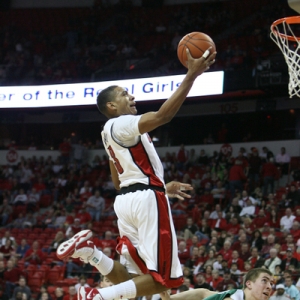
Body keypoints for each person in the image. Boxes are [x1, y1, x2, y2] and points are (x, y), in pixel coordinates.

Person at [56, 48, 216, 300]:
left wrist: (163, 185)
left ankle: (90, 253)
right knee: (163, 280)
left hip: (126, 200)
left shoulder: (107, 132)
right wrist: (191, 76)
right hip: (145, 199)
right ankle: (98, 296)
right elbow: (164, 115)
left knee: (134, 277)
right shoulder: (122, 123)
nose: (130, 96)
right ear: (111, 105)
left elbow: (117, 181)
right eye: (123, 94)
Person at [160, 267, 273, 300]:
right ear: (249, 284)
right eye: (264, 280)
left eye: (271, 283)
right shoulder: (234, 297)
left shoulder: (232, 294)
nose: (269, 287)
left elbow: (203, 293)